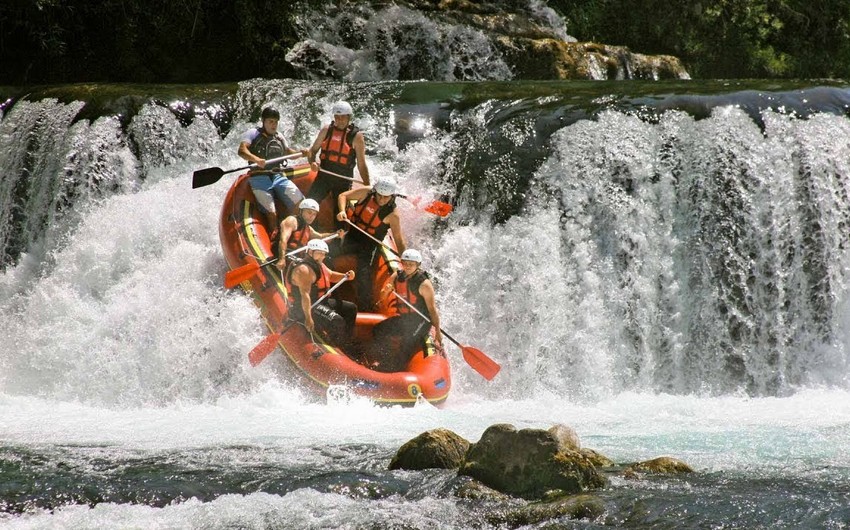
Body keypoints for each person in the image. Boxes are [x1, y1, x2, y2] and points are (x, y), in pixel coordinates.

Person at [336, 176, 407, 311]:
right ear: (375, 192)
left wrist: (406, 261)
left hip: (369, 246)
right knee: (329, 253)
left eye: (386, 197)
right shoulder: (366, 193)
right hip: (351, 236)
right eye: (379, 195)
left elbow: (399, 240)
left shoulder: (393, 215)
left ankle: (364, 307)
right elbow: (343, 196)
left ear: (392, 196)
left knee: (364, 275)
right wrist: (342, 211)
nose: (381, 200)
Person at [238, 106, 309, 231]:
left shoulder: (279, 136)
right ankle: (275, 235)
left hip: (278, 176)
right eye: (270, 121)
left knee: (300, 202)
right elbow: (242, 151)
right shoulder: (253, 133)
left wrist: (300, 153)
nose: (273, 125)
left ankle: (294, 231)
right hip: (259, 177)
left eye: (276, 122)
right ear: (263, 121)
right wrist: (256, 159)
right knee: (271, 213)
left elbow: (288, 152)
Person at [371, 248, 442, 371]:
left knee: (407, 343)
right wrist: (386, 291)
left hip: (421, 320)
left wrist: (438, 333)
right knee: (378, 330)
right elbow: (382, 297)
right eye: (405, 263)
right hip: (405, 319)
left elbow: (432, 309)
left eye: (411, 264)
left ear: (417, 265)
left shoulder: (424, 284)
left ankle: (396, 369)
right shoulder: (397, 276)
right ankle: (385, 358)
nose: (408, 267)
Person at [285, 239, 357, 350]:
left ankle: (346, 341)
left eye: (324, 253)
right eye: (319, 253)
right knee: (337, 321)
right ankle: (334, 346)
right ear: (310, 252)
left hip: (320, 301)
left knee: (351, 308)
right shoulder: (304, 270)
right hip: (306, 306)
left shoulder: (318, 264)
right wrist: (308, 318)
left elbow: (331, 275)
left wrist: (345, 276)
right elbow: (305, 295)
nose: (322, 256)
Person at [305, 101, 371, 223]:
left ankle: (338, 237)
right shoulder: (326, 130)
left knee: (340, 215)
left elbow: (362, 165)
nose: (340, 120)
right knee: (309, 204)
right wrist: (312, 162)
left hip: (343, 180)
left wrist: (368, 187)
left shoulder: (356, 137)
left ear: (349, 117)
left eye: (343, 117)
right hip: (324, 176)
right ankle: (306, 231)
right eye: (337, 117)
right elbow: (312, 151)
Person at [276, 198, 345, 264]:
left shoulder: (308, 228)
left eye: (314, 214)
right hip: (282, 254)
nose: (312, 216)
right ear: (301, 211)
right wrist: (282, 259)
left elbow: (320, 237)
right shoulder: (292, 221)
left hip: (294, 257)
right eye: (309, 212)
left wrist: (335, 234)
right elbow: (283, 240)